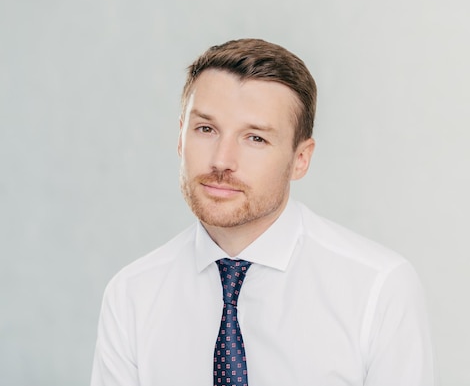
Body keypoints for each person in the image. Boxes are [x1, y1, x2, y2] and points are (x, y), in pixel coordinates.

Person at [90, 38, 435, 386]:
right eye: (206, 129)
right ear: (180, 138)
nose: (222, 161)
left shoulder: (378, 289)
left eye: (255, 138)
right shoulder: (132, 295)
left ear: (301, 159)